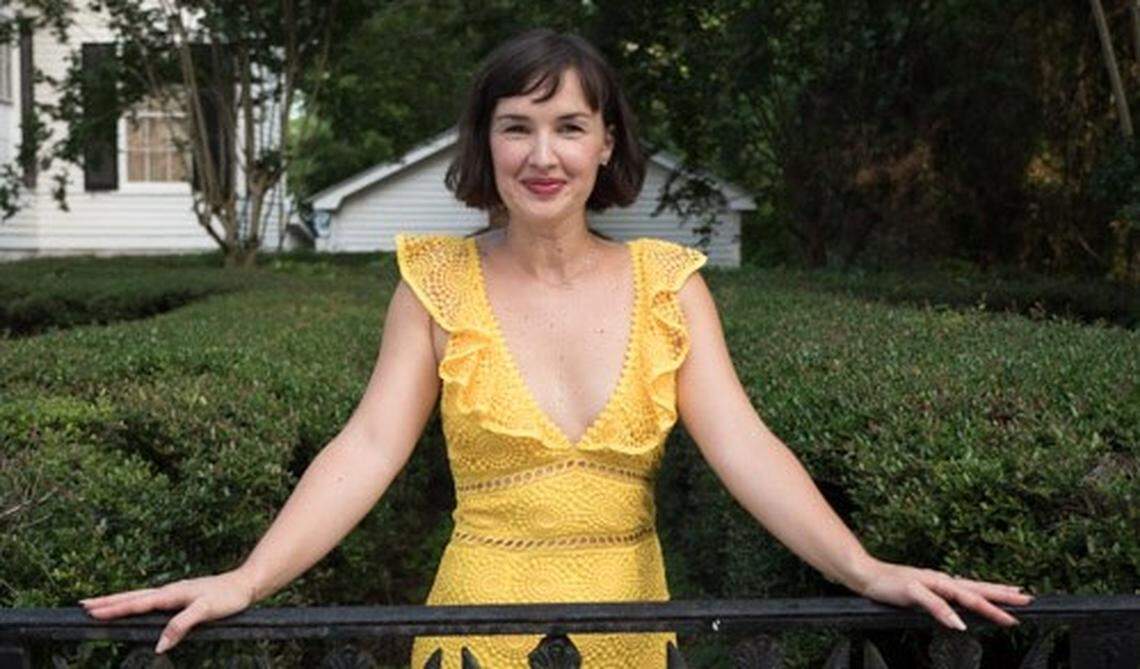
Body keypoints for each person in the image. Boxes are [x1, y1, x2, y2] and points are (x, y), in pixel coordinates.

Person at [80, 28, 1034, 667]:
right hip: (474, 631)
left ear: (606, 143)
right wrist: (247, 577)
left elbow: (746, 446)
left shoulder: (672, 283)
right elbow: (368, 447)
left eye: (569, 126)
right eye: (518, 127)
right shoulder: (434, 283)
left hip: (632, 623)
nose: (544, 154)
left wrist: (866, 569)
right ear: (485, 143)